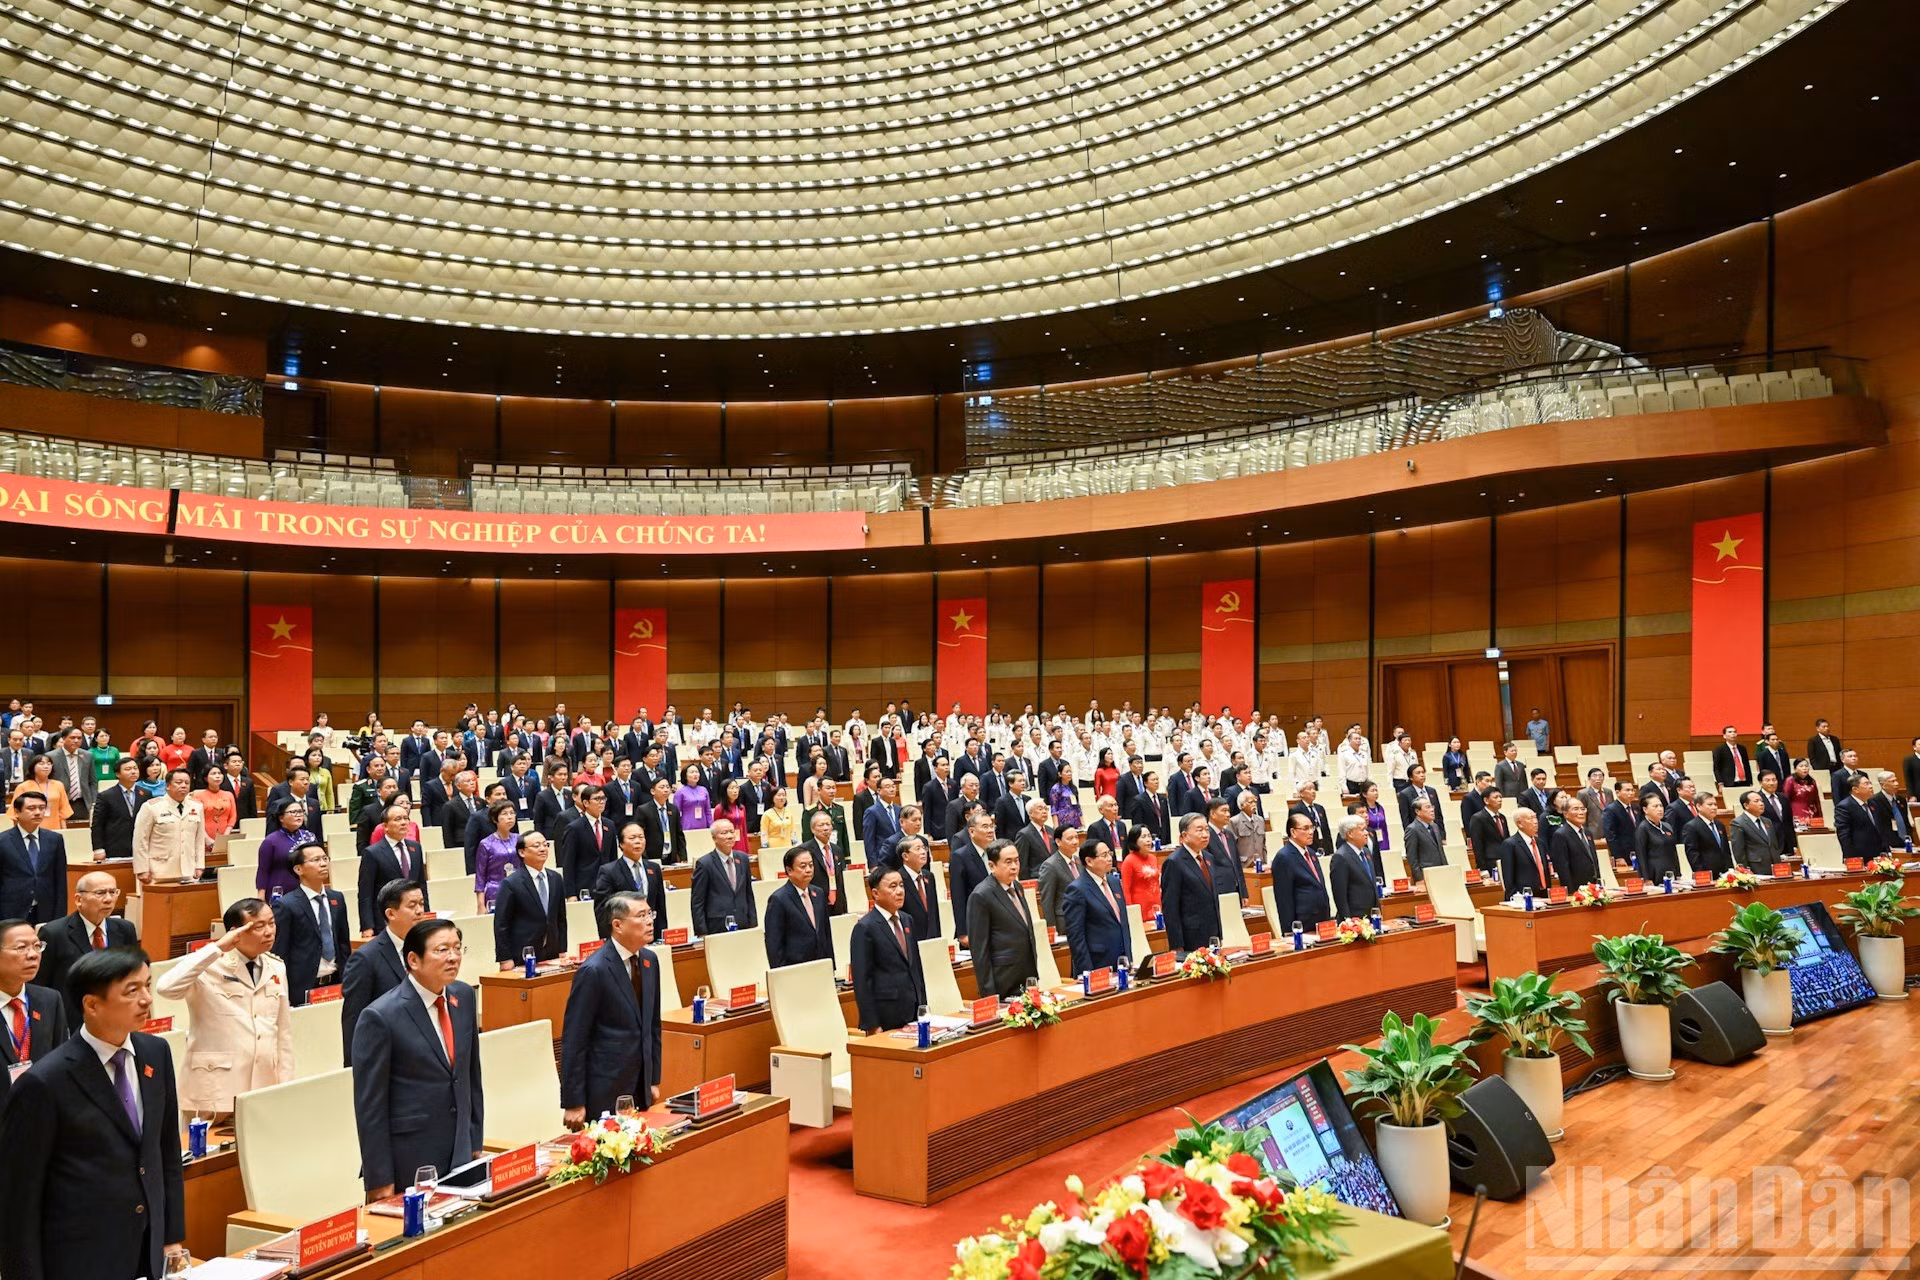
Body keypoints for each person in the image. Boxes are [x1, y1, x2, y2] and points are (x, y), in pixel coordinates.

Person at [0, 945, 187, 1280]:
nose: (147, 999)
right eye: (131, 990)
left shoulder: (156, 1053)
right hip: (79, 1259)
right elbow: (18, 1201)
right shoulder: (44, 1082)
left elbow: (166, 1152)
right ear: (92, 1005)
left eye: (147, 985)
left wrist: (171, 1236)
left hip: (147, 1249)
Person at [352, 918, 485, 1198]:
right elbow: (370, 1106)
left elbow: (470, 1075)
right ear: (413, 959)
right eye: (442, 950)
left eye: (457, 948)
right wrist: (379, 1178)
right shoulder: (381, 1016)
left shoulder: (463, 996)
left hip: (460, 1150)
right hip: (411, 1157)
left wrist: (475, 1139)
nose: (453, 957)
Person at [154, 898, 292, 1117]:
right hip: (215, 1088)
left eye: (271, 923)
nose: (269, 932)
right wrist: (217, 948)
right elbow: (165, 988)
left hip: (264, 1085)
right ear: (235, 932)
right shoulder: (207, 965)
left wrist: (286, 1086)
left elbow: (282, 1033)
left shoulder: (276, 967)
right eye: (258, 926)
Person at [560, 892, 660, 1126]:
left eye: (650, 914)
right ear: (617, 925)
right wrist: (574, 1101)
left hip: (640, 1085)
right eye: (641, 916)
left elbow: (653, 1026)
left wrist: (653, 1079)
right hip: (604, 1088)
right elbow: (575, 1039)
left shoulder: (650, 961)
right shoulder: (594, 970)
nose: (649, 921)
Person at [342, 880, 427, 1066]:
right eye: (412, 905)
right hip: (388, 1058)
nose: (420, 911)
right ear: (390, 913)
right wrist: (355, 1069)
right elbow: (354, 1021)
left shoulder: (428, 950)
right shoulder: (365, 959)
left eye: (422, 904)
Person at [0, 917, 70, 1123]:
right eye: (21, 947)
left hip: (41, 1119)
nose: (33, 955)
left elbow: (61, 1061)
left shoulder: (50, 1000)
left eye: (37, 946)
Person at [35, 870, 134, 1006]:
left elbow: (132, 974)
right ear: (78, 899)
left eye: (113, 892)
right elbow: (40, 985)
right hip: (72, 1013)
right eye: (100, 893)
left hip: (114, 1009)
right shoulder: (53, 933)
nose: (108, 899)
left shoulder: (125, 929)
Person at [850, 866, 927, 1033]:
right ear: (875, 893)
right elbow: (862, 981)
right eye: (893, 886)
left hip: (914, 1010)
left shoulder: (907, 920)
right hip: (886, 1015)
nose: (900, 891)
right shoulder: (865, 927)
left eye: (901, 885)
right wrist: (872, 1024)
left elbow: (916, 968)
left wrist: (923, 1008)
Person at [271, 843, 351, 1005]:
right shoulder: (286, 905)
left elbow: (343, 943)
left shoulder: (337, 898)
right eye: (316, 860)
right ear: (298, 869)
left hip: (337, 982)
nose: (323, 863)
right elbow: (280, 952)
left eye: (325, 858)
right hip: (303, 986)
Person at [967, 839, 1038, 999]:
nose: (1014, 866)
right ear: (992, 866)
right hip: (1003, 980)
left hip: (1027, 975)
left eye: (1016, 861)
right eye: (1008, 862)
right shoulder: (981, 895)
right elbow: (979, 950)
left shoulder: (1017, 887)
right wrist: (989, 994)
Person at [492, 832, 567, 966]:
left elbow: (561, 919)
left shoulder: (556, 878)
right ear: (522, 852)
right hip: (523, 953)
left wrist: (562, 949)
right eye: (536, 846)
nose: (543, 849)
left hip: (552, 951)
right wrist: (505, 958)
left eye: (545, 844)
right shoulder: (511, 883)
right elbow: (501, 924)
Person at [359, 804, 430, 934]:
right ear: (385, 826)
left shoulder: (416, 848)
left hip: (414, 917)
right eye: (398, 819)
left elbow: (421, 884)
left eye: (405, 818)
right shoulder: (372, 853)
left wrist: (426, 914)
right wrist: (367, 926)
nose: (403, 822)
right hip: (386, 920)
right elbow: (365, 893)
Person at [1060, 840, 1127, 976]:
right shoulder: (1077, 889)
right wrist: (1087, 972)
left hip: (1121, 960)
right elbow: (1076, 936)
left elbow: (1122, 923)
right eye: (1104, 855)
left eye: (1110, 853)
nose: (1109, 858)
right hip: (1097, 962)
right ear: (1089, 861)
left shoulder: (1114, 882)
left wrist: (1128, 958)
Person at [1161, 814, 1226, 953]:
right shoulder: (1174, 862)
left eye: (1207, 830)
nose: (1205, 834)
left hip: (1213, 934)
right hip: (1190, 938)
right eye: (1199, 830)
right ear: (1184, 835)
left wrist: (1220, 933)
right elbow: (1170, 907)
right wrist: (1177, 944)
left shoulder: (1208, 858)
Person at [0, 790, 65, 925]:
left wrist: (60, 917)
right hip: (10, 912)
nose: (37, 812)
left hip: (46, 911)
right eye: (31, 808)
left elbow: (60, 881)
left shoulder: (55, 839)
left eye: (42, 808)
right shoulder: (3, 841)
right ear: (17, 812)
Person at [131, 768, 206, 885]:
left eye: (187, 783)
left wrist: (199, 865)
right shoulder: (151, 807)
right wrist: (142, 869)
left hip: (188, 870)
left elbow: (199, 840)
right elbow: (140, 840)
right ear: (167, 786)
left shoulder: (197, 806)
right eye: (179, 782)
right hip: (158, 871)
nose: (183, 786)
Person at [594, 822, 668, 939]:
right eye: (632, 838)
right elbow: (602, 911)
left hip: (650, 935)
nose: (638, 841)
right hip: (624, 937)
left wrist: (662, 936)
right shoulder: (609, 871)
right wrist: (609, 940)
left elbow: (660, 906)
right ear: (621, 844)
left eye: (641, 837)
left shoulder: (654, 868)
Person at [764, 846, 833, 969]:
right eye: (803, 866)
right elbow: (774, 943)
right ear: (789, 870)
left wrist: (831, 966)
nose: (808, 870)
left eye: (811, 865)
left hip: (820, 964)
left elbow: (826, 933)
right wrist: (781, 973)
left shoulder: (818, 893)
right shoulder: (778, 899)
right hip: (795, 967)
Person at [689, 818, 756, 935]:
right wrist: (702, 932)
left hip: (743, 923)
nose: (730, 836)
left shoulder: (743, 858)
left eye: (732, 832)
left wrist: (753, 923)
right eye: (724, 833)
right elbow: (697, 901)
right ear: (714, 838)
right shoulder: (705, 864)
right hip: (717, 926)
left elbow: (748, 894)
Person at [558, 785, 615, 900]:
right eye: (597, 799)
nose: (601, 802)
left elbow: (613, 857)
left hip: (607, 885)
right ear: (586, 803)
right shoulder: (574, 828)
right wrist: (570, 893)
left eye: (603, 798)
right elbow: (568, 863)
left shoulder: (610, 825)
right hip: (584, 886)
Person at [255, 797, 319, 899]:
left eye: (300, 811)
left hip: (308, 888)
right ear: (281, 818)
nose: (298, 815)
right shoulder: (271, 841)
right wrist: (261, 897)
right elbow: (263, 870)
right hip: (281, 890)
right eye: (293, 812)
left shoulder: (309, 837)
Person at [948, 812, 995, 946]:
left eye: (991, 826)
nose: (990, 830)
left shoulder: (996, 853)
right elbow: (958, 897)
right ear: (972, 831)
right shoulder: (960, 856)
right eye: (985, 827)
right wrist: (963, 932)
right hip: (976, 923)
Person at [1330, 815, 1382, 921]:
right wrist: (1347, 920)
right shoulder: (1341, 857)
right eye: (1362, 830)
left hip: (1372, 913)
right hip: (1355, 918)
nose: (1366, 833)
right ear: (1350, 834)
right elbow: (1340, 895)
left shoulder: (1366, 852)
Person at [895, 835, 941, 943]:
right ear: (905, 856)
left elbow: (934, 912)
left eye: (924, 848)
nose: (923, 852)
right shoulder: (898, 879)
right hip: (911, 939)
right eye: (918, 849)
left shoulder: (929, 876)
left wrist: (937, 937)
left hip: (932, 938)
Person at [1835, 772, 1887, 863]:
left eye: (1870, 783)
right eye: (1866, 784)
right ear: (1855, 789)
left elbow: (1880, 828)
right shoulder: (1844, 807)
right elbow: (1844, 836)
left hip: (1878, 854)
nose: (1871, 786)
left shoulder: (1873, 803)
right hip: (1859, 856)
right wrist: (1851, 859)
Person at [1500, 809, 1553, 896]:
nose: (1535, 822)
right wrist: (1516, 897)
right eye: (1531, 818)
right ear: (1520, 823)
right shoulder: (1510, 844)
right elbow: (1508, 877)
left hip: (1544, 894)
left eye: (1535, 817)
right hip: (1524, 896)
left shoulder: (1540, 842)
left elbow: (1545, 870)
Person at [1550, 800, 1601, 888]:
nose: (1581, 812)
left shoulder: (1587, 832)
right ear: (1565, 814)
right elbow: (1562, 867)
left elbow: (1593, 859)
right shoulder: (1561, 835)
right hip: (1576, 888)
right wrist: (1570, 891)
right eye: (1576, 809)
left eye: (1583, 809)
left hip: (1593, 885)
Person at [1036, 823, 1082, 924]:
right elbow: (1047, 901)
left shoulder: (1079, 861)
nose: (1075, 842)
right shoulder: (1050, 866)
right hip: (1064, 920)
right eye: (1070, 839)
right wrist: (1051, 928)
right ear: (1058, 842)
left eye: (1076, 837)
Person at [1681, 795, 1734, 878]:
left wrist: (1731, 869)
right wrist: (1702, 875)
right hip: (1706, 874)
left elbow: (1726, 851)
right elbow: (1692, 854)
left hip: (1725, 874)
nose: (1714, 807)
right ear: (1699, 806)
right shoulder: (1691, 827)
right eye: (1710, 804)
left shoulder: (1720, 825)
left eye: (1715, 804)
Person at [17, 754, 72, 830]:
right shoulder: (23, 787)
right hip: (31, 829)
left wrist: (64, 831)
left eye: (49, 764)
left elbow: (63, 812)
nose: (46, 766)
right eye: (41, 764)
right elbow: (16, 815)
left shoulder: (58, 785)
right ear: (33, 767)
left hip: (54, 827)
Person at [1635, 795, 1681, 881]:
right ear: (1645, 809)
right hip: (1654, 873)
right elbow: (1641, 855)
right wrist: (1646, 879)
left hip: (1671, 871)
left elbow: (1674, 852)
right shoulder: (1643, 828)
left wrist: (1678, 873)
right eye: (1655, 806)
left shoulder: (1667, 826)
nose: (1660, 809)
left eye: (1661, 806)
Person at [1730, 792, 1778, 874]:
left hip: (1775, 867)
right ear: (1746, 805)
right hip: (1755, 869)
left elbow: (1774, 845)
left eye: (1761, 801)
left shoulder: (1767, 821)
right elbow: (1739, 851)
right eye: (1756, 801)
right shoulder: (1738, 823)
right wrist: (1745, 871)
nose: (1761, 804)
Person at [1401, 797, 1446, 883]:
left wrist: (1446, 868)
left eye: (1431, 806)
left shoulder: (1435, 826)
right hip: (1426, 875)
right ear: (1418, 811)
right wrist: (1419, 879)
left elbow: (1441, 851)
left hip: (1441, 872)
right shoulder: (1412, 829)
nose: (1432, 810)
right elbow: (1412, 858)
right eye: (1427, 807)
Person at [1467, 789, 1510, 874]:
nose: (1499, 800)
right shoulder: (1478, 818)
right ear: (1486, 800)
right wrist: (1482, 868)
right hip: (1489, 861)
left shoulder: (1502, 817)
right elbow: (1477, 844)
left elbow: (1507, 839)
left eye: (1500, 797)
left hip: (1505, 859)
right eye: (1496, 797)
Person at [1782, 759, 1823, 827]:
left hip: (1812, 813)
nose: (1804, 768)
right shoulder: (1790, 780)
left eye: (1806, 766)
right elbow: (1785, 799)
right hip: (1796, 812)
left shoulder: (1812, 781)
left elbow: (1816, 799)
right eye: (1801, 766)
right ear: (1795, 769)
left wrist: (1820, 815)